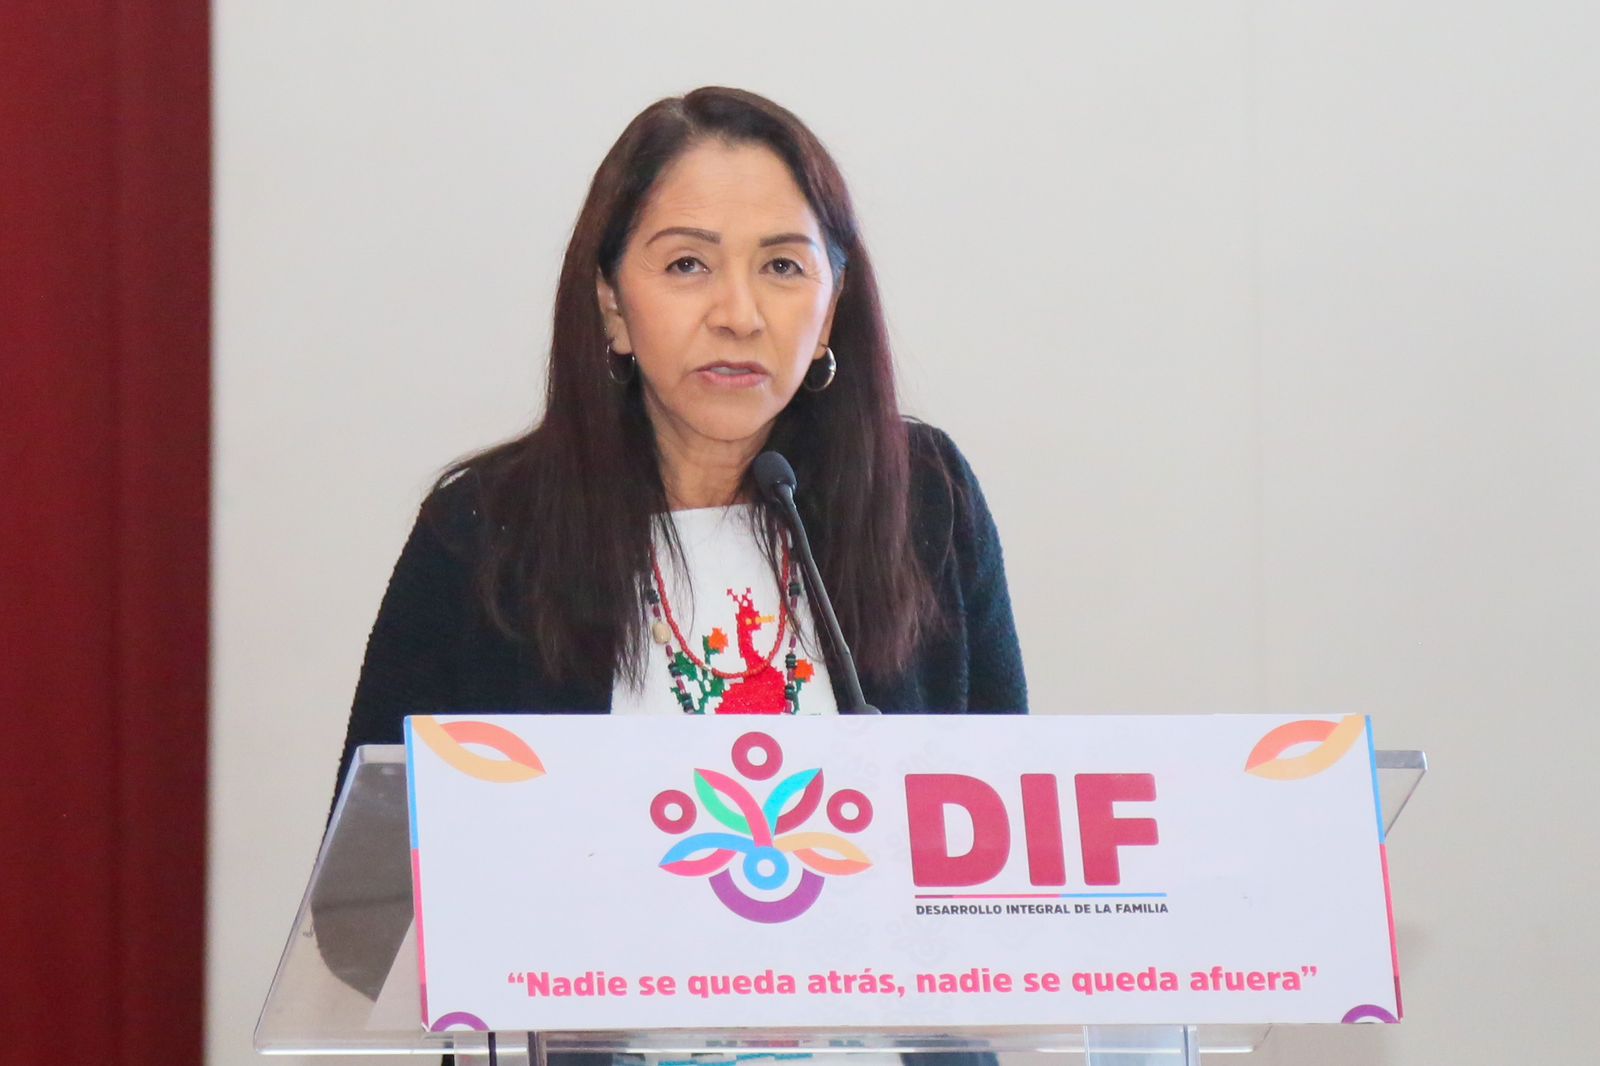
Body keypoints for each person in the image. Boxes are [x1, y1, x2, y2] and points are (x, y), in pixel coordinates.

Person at [332, 86, 1026, 1066]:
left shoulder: (923, 506)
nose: (737, 314)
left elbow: (1006, 857)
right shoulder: (488, 533)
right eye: (688, 264)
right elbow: (365, 914)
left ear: (831, 305)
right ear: (613, 304)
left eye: (782, 266)